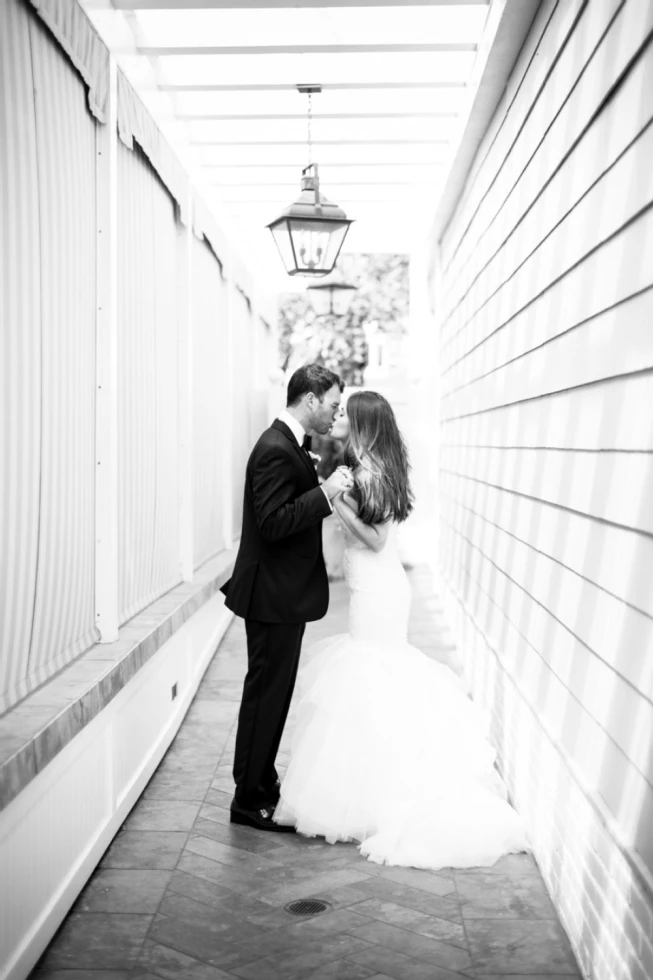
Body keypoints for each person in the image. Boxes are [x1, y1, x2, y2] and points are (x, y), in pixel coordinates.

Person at [273, 390, 528, 868]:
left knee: (374, 674)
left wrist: (334, 500)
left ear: (366, 424)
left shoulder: (370, 472)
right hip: (376, 587)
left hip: (380, 590)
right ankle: (372, 787)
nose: (339, 416)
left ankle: (389, 792)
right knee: (370, 678)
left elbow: (375, 538)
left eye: (348, 414)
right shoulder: (367, 466)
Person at [222, 364, 354, 832]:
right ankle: (248, 800)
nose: (336, 414)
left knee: (272, 695)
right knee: (266, 694)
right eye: (334, 404)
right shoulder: (275, 449)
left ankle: (259, 782)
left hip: (281, 593)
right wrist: (324, 493)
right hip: (272, 594)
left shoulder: (288, 445)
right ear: (312, 398)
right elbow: (274, 522)